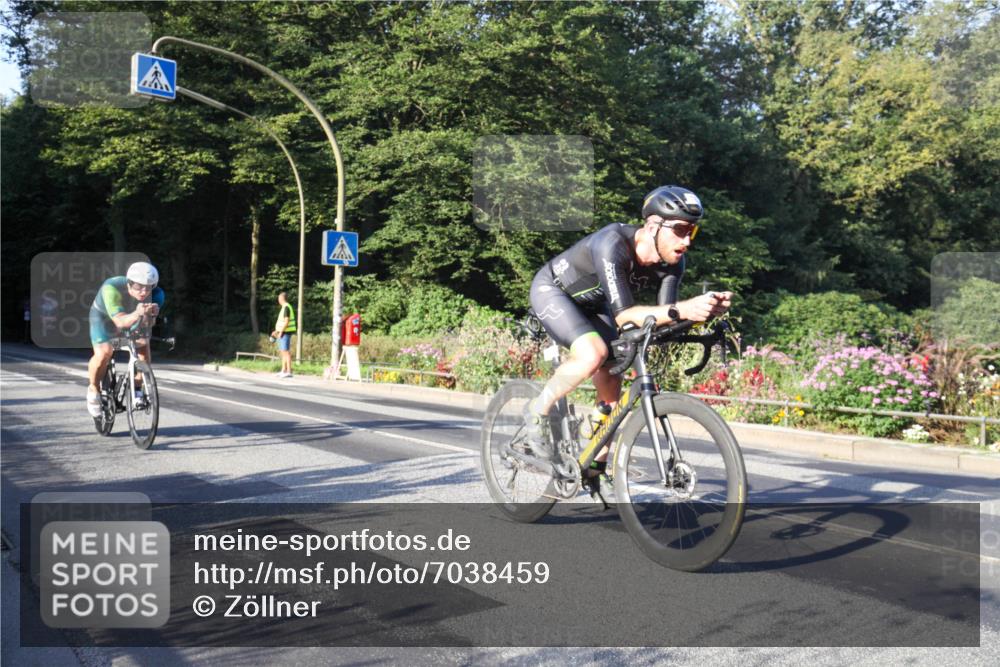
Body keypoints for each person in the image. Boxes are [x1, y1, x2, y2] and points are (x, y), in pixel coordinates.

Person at [524, 185, 733, 495]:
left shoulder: (673, 264)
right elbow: (624, 316)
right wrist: (683, 309)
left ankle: (595, 468)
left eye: (693, 230)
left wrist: (703, 313)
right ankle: (537, 411)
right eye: (679, 229)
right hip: (554, 291)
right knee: (593, 353)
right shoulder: (613, 244)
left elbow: (664, 318)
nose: (687, 240)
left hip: (596, 305)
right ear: (651, 226)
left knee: (614, 374)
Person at [86, 262, 164, 417]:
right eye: (138, 286)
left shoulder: (158, 295)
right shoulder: (111, 288)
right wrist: (138, 313)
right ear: (129, 283)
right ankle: (93, 389)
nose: (143, 292)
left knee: (143, 344)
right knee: (104, 352)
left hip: (133, 315)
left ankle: (138, 387)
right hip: (104, 318)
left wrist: (150, 315)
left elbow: (148, 324)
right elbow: (120, 323)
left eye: (148, 287)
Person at [270, 292, 296, 378]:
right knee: (283, 352)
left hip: (285, 332)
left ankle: (289, 371)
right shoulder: (285, 307)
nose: (278, 300)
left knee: (286, 352)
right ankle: (283, 370)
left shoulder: (286, 307)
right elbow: (282, 322)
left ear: (281, 299)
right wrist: (276, 331)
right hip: (282, 332)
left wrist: (280, 332)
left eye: (279, 299)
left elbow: (286, 321)